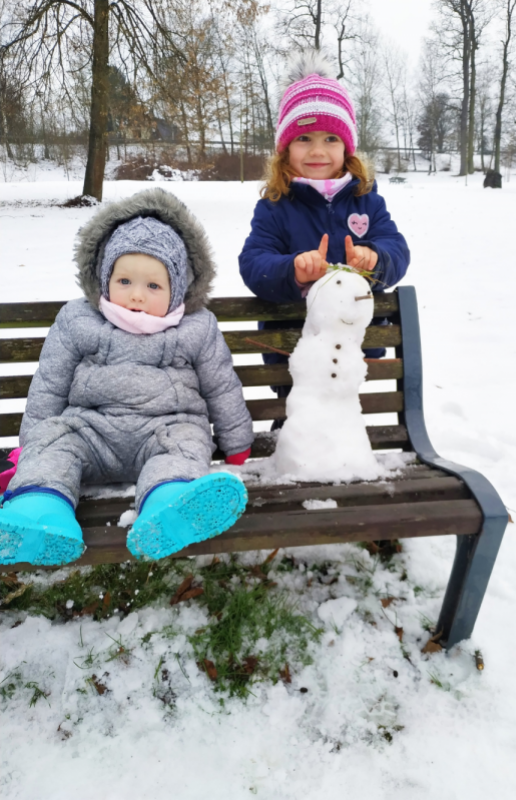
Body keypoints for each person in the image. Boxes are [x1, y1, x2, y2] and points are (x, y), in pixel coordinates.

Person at [0, 189, 254, 566]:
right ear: (105, 279)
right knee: (55, 449)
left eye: (153, 286)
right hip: (88, 430)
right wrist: (31, 444)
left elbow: (221, 384)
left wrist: (236, 443)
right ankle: (37, 512)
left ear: (177, 289)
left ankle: (169, 506)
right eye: (124, 282)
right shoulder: (78, 319)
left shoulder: (196, 328)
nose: (136, 296)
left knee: (183, 449)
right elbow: (50, 384)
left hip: (166, 429)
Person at [238, 51, 410, 423]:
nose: (317, 150)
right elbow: (253, 264)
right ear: (285, 149)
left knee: (339, 418)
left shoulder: (365, 200)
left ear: (346, 147)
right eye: (304, 138)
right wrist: (293, 270)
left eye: (331, 138)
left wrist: (375, 258)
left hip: (353, 346)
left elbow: (397, 250)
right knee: (301, 422)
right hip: (290, 348)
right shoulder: (275, 205)